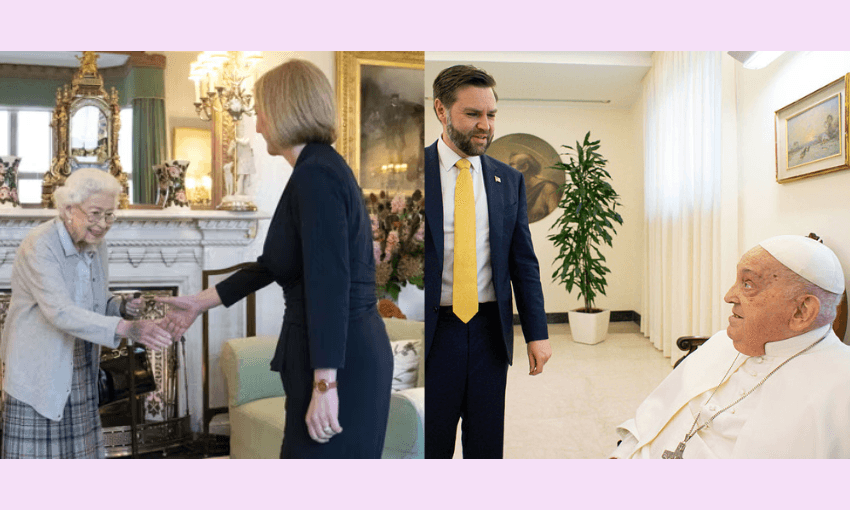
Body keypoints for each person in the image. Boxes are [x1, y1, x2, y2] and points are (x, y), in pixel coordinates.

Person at [158, 59, 394, 459]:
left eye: (261, 111)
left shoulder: (316, 175)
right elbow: (274, 264)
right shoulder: (314, 169)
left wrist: (325, 386)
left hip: (342, 362)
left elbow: (328, 285)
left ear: (286, 110)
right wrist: (199, 303)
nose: (258, 124)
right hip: (334, 355)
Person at [612, 235, 850, 458]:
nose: (728, 296)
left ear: (802, 311)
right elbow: (654, 417)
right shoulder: (721, 342)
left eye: (748, 284)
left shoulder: (842, 387)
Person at [0, 168, 173, 459]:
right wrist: (125, 328)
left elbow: (93, 300)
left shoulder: (96, 244)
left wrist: (120, 306)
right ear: (69, 209)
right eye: (95, 213)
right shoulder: (40, 244)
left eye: (109, 215)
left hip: (80, 366)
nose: (103, 224)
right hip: (40, 371)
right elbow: (60, 312)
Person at [425, 65, 552, 459]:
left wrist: (537, 332)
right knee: (431, 444)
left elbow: (523, 264)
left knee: (485, 445)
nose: (485, 126)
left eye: (491, 115)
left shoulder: (508, 180)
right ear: (441, 111)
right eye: (473, 114)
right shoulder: (413, 172)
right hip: (432, 331)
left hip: (489, 333)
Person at [507, 152, 559, 223]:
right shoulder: (514, 190)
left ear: (525, 167)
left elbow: (556, 219)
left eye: (512, 165)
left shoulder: (548, 188)